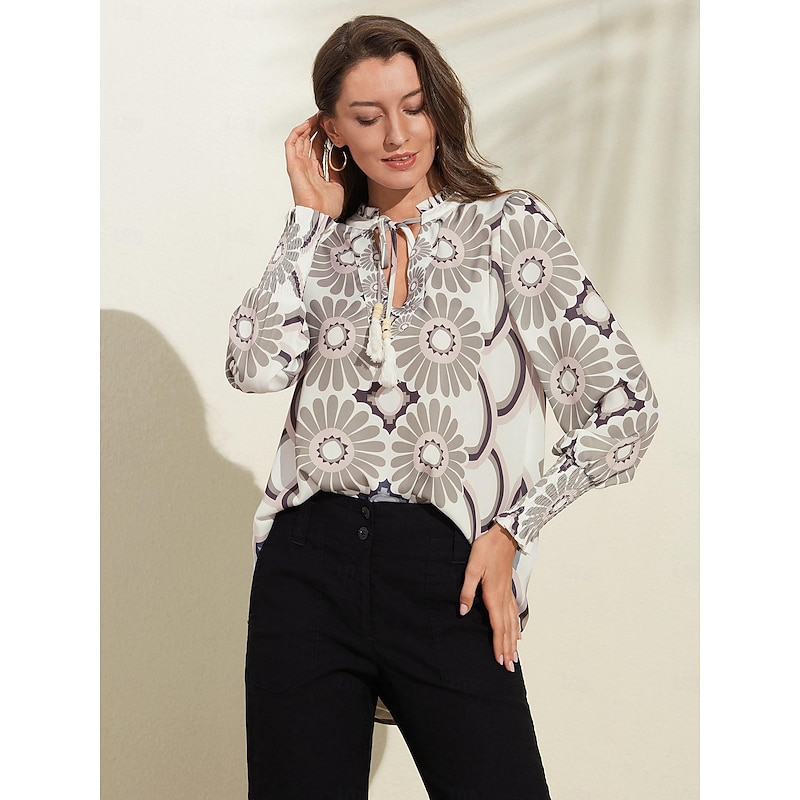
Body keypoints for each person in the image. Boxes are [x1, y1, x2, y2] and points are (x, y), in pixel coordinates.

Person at [226, 14, 659, 800]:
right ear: (330, 131)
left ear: (439, 107)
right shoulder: (321, 245)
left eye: (414, 107)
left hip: (448, 565)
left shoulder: (508, 228)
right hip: (306, 564)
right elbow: (253, 368)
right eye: (367, 118)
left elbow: (626, 410)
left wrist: (512, 529)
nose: (398, 135)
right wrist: (305, 221)